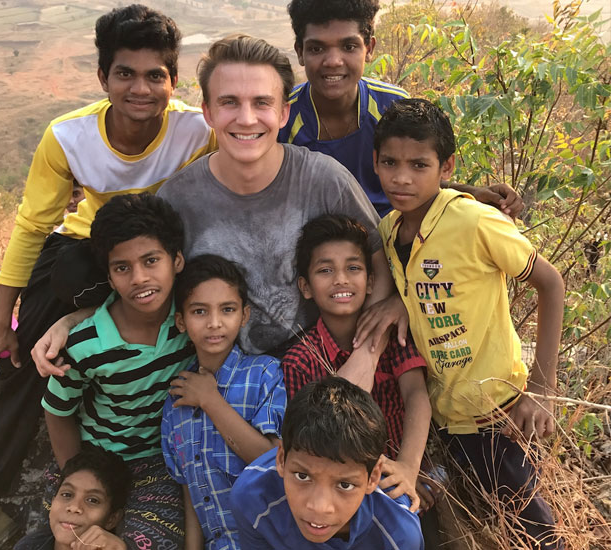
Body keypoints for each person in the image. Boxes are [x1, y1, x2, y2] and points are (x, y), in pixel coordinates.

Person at [0, 5, 215, 542]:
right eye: (124, 73)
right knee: (28, 361)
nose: (140, 88)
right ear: (102, 75)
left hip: (157, 256)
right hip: (86, 256)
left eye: (156, 75)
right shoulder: (69, 136)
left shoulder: (196, 131)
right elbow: (33, 226)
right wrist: (3, 319)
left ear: (173, 80)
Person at [375, 98, 565, 549]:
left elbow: (551, 283)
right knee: (478, 529)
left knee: (534, 534)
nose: (402, 177)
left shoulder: (475, 220)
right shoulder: (388, 229)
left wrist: (543, 390)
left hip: (496, 412)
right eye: (389, 163)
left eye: (419, 165)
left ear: (446, 167)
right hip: (444, 418)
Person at [157, 34, 399, 362]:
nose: (246, 119)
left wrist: (364, 359)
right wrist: (73, 319)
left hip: (324, 365)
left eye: (261, 102)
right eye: (229, 102)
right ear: (208, 113)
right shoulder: (177, 199)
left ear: (283, 113)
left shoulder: (324, 180)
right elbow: (146, 288)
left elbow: (378, 261)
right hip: (226, 379)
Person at [42, 193, 195, 549]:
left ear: (177, 260)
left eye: (151, 260)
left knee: (148, 542)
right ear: (109, 278)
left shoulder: (191, 321)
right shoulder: (84, 345)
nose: (139, 278)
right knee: (70, 539)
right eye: (122, 268)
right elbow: (57, 410)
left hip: (156, 465)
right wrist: (77, 477)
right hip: (94, 459)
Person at [280, 0, 523, 217]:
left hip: (394, 238)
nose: (333, 61)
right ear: (300, 52)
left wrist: (473, 193)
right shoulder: (282, 116)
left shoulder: (392, 105)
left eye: (349, 47)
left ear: (369, 49)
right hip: (323, 252)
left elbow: (415, 179)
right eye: (316, 48)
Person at [282, 214, 430, 511]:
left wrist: (408, 469)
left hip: (396, 474)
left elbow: (416, 395)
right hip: (334, 489)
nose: (341, 279)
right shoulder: (299, 360)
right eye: (325, 270)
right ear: (305, 286)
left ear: (371, 281)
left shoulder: (392, 333)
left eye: (353, 268)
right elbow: (305, 440)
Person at [161, 254, 287, 550]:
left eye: (227, 310)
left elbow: (272, 461)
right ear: (181, 320)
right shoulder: (175, 401)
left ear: (244, 315)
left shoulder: (264, 374)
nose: (214, 323)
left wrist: (210, 400)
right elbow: (190, 495)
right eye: (199, 311)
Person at [230, 376, 424, 550]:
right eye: (302, 476)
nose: (319, 507)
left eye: (345, 485)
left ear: (372, 478)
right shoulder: (253, 499)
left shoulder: (398, 536)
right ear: (281, 460)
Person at [14, 446, 131, 550]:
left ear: (112, 519)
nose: (74, 507)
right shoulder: (29, 545)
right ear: (53, 501)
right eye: (66, 494)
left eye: (92, 500)